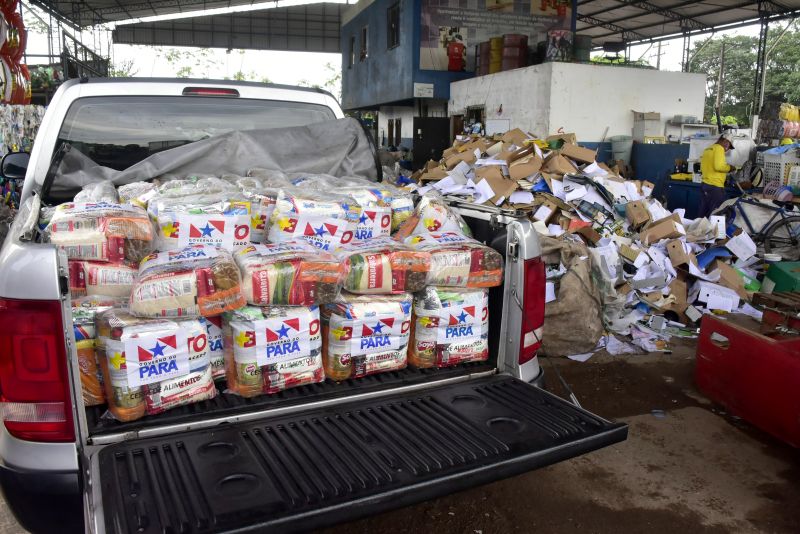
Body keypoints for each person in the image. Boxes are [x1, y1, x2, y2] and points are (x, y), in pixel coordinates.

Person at [699, 132, 734, 217]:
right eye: (729, 146)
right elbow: (718, 167)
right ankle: (711, 230)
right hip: (715, 187)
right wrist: (730, 168)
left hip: (705, 185)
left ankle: (699, 229)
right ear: (726, 141)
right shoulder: (719, 148)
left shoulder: (708, 149)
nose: (728, 149)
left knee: (703, 213)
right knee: (715, 215)